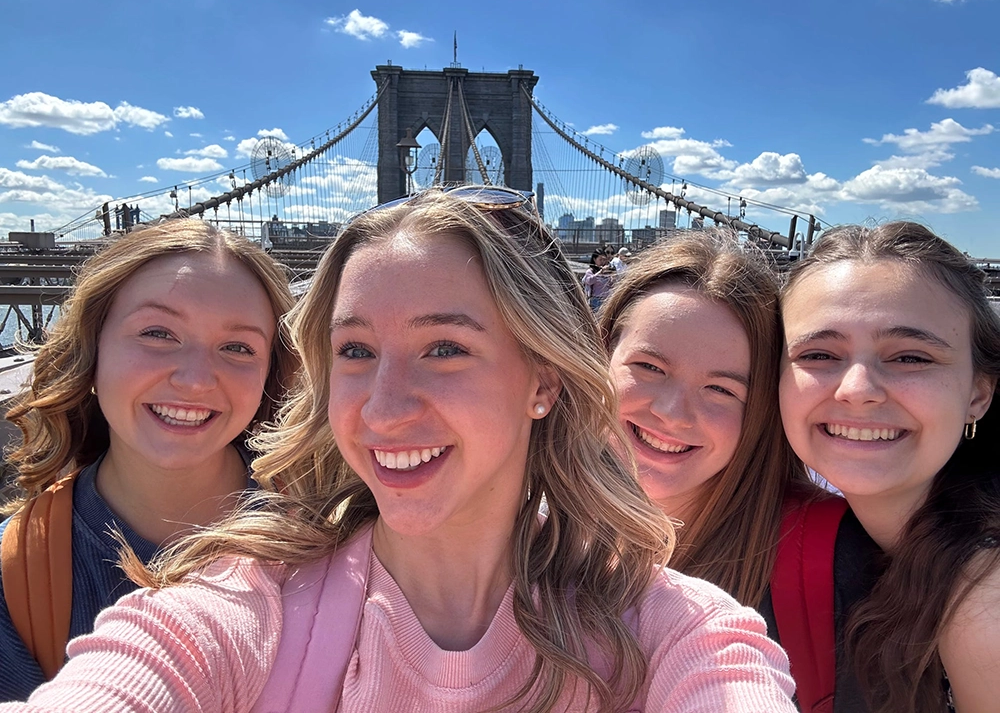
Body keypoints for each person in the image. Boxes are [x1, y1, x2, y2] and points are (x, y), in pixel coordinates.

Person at [1, 188, 796, 713]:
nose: (382, 407)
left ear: (544, 381)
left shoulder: (675, 629)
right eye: (354, 352)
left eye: (444, 349)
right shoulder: (241, 607)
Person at [0, 218, 298, 701]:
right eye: (158, 333)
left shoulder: (337, 531)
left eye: (238, 347)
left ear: (270, 374)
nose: (197, 379)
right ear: (91, 351)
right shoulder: (16, 576)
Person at [779, 222, 1000, 713]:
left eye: (910, 356)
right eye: (818, 354)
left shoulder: (984, 607)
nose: (857, 388)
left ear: (978, 393)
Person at [598, 231, 812, 608]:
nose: (671, 413)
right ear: (601, 357)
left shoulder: (823, 562)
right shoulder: (525, 520)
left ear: (762, 411)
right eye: (649, 367)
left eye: (721, 390)